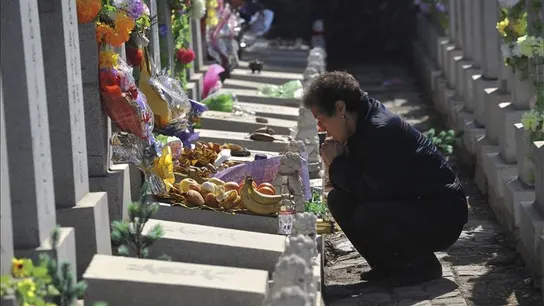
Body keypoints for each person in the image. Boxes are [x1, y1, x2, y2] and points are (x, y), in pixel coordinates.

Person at [303, 71, 468, 287]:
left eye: (321, 120)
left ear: (340, 108)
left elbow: (372, 191)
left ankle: (423, 265)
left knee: (368, 213)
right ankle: (389, 265)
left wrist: (338, 163)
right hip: (409, 205)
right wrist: (336, 163)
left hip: (441, 215)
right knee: (338, 200)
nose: (321, 129)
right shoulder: (359, 124)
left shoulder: (380, 131)